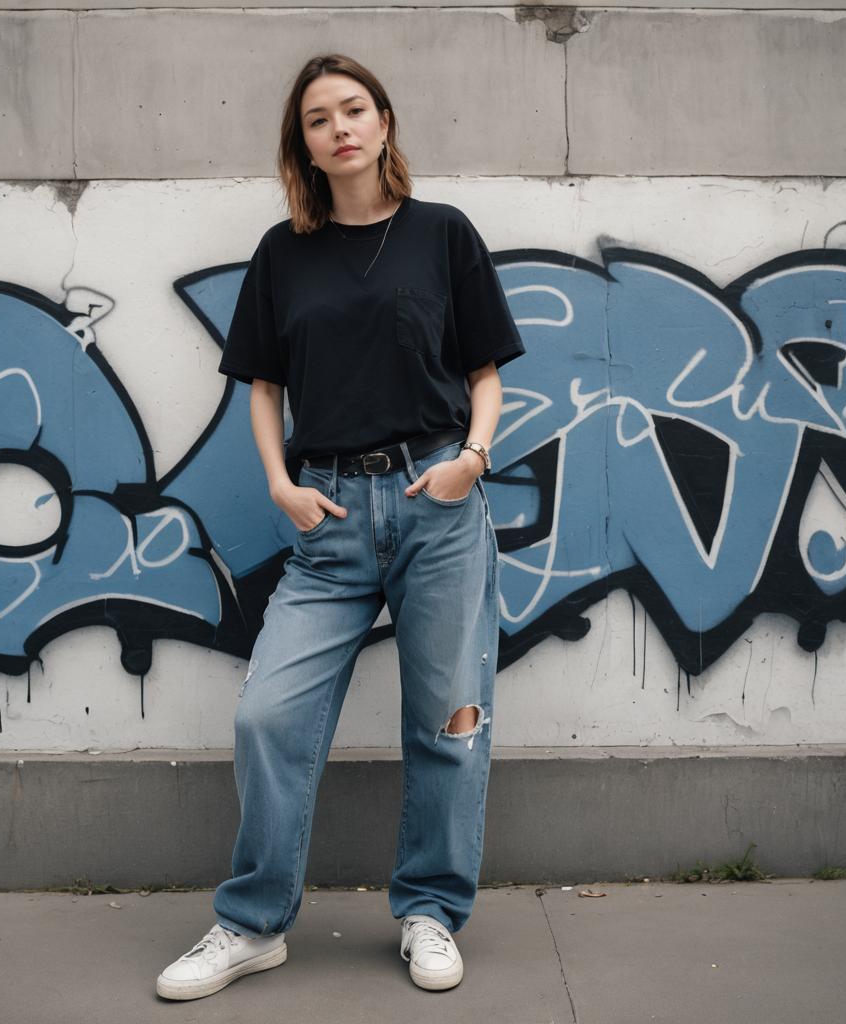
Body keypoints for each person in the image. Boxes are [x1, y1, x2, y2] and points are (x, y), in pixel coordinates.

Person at [156, 53, 525, 1001]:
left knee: (450, 721)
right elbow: (264, 385)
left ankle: (431, 911)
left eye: (354, 109)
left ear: (386, 123)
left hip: (436, 504)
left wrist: (471, 462)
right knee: (268, 713)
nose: (340, 128)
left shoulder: (443, 235)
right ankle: (252, 922)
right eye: (319, 119)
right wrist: (279, 484)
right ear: (305, 146)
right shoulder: (285, 253)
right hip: (327, 515)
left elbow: (486, 371)